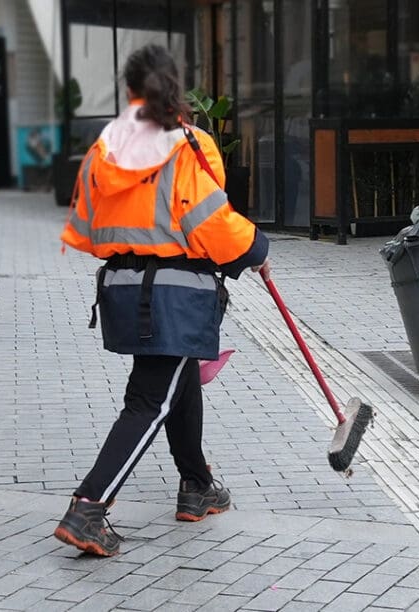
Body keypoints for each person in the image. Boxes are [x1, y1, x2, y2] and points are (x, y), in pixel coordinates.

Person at [54, 44, 269, 557]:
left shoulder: (105, 147)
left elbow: (86, 227)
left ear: (129, 89)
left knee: (179, 378)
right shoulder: (187, 144)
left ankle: (197, 485)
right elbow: (210, 221)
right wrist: (255, 250)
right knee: (149, 401)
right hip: (177, 294)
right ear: (174, 85)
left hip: (122, 289)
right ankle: (88, 509)